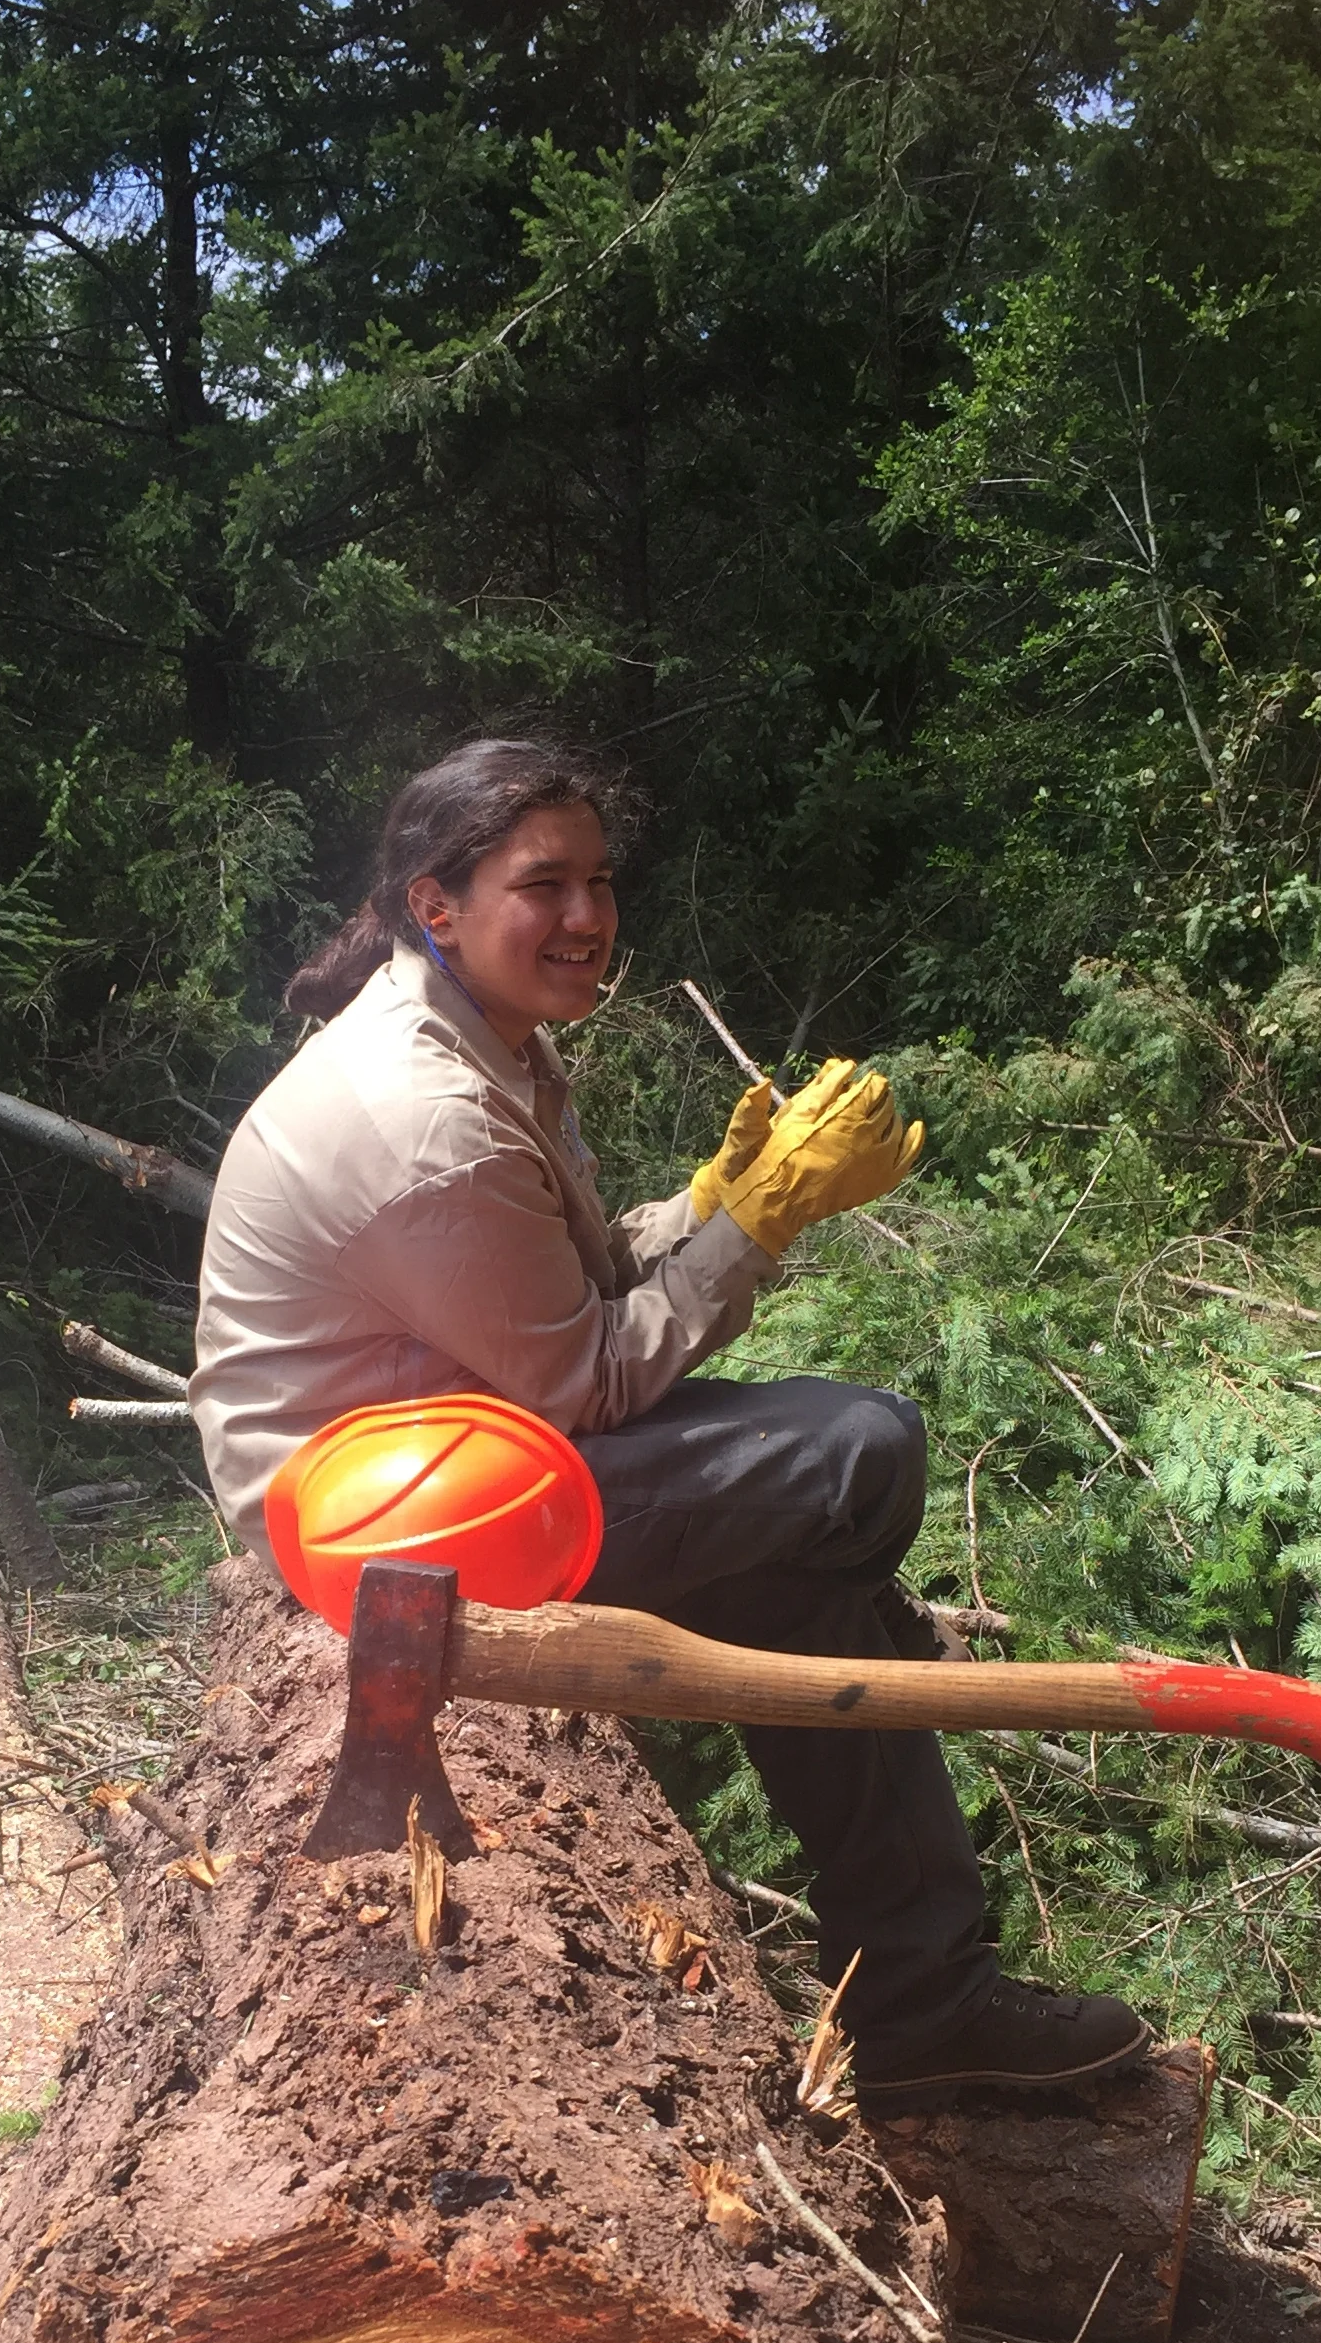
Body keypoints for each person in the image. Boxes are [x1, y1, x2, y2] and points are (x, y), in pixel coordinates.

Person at [190, 735, 1148, 2106]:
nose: (586, 916)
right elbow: (587, 1379)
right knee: (858, 1454)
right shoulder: (422, 1115)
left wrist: (709, 1199)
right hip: (372, 1541)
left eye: (599, 880)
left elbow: (562, 1289)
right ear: (436, 904)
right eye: (545, 885)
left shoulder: (481, 1042)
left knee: (804, 1560)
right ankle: (926, 1994)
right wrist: (762, 1222)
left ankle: (927, 2004)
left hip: (443, 1459)